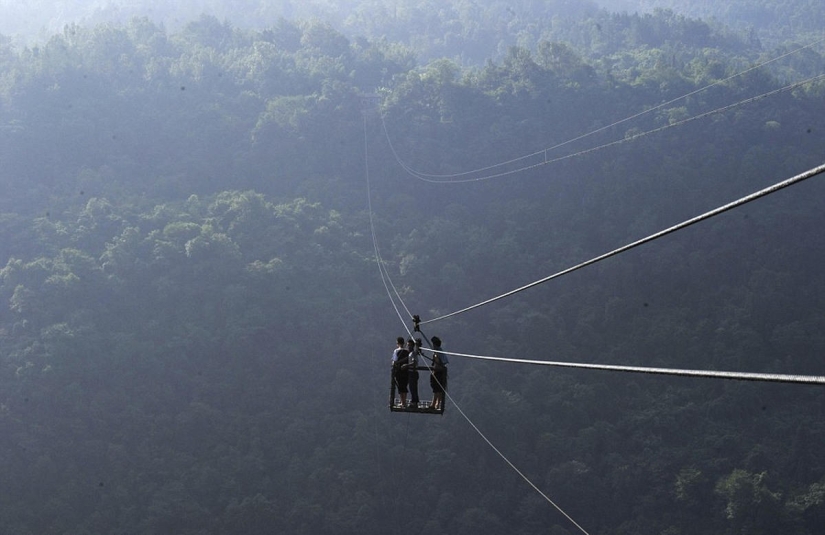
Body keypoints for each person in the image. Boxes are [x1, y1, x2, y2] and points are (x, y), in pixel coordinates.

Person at [429, 336, 448, 410]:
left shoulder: (436, 353)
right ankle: (437, 404)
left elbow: (437, 364)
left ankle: (433, 405)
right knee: (439, 390)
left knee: (436, 389)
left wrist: (434, 370)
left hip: (437, 373)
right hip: (441, 373)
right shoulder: (441, 351)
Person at [391, 336, 410, 407]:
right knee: (404, 385)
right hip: (406, 371)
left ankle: (403, 402)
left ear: (398, 343)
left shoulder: (396, 351)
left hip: (399, 371)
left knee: (400, 386)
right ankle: (404, 401)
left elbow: (394, 361)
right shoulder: (407, 351)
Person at [406, 338, 420, 407]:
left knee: (413, 387)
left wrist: (406, 365)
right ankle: (414, 401)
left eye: (409, 345)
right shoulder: (411, 353)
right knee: (412, 388)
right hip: (411, 372)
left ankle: (414, 402)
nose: (408, 347)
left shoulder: (413, 353)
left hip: (413, 372)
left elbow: (414, 363)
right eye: (408, 345)